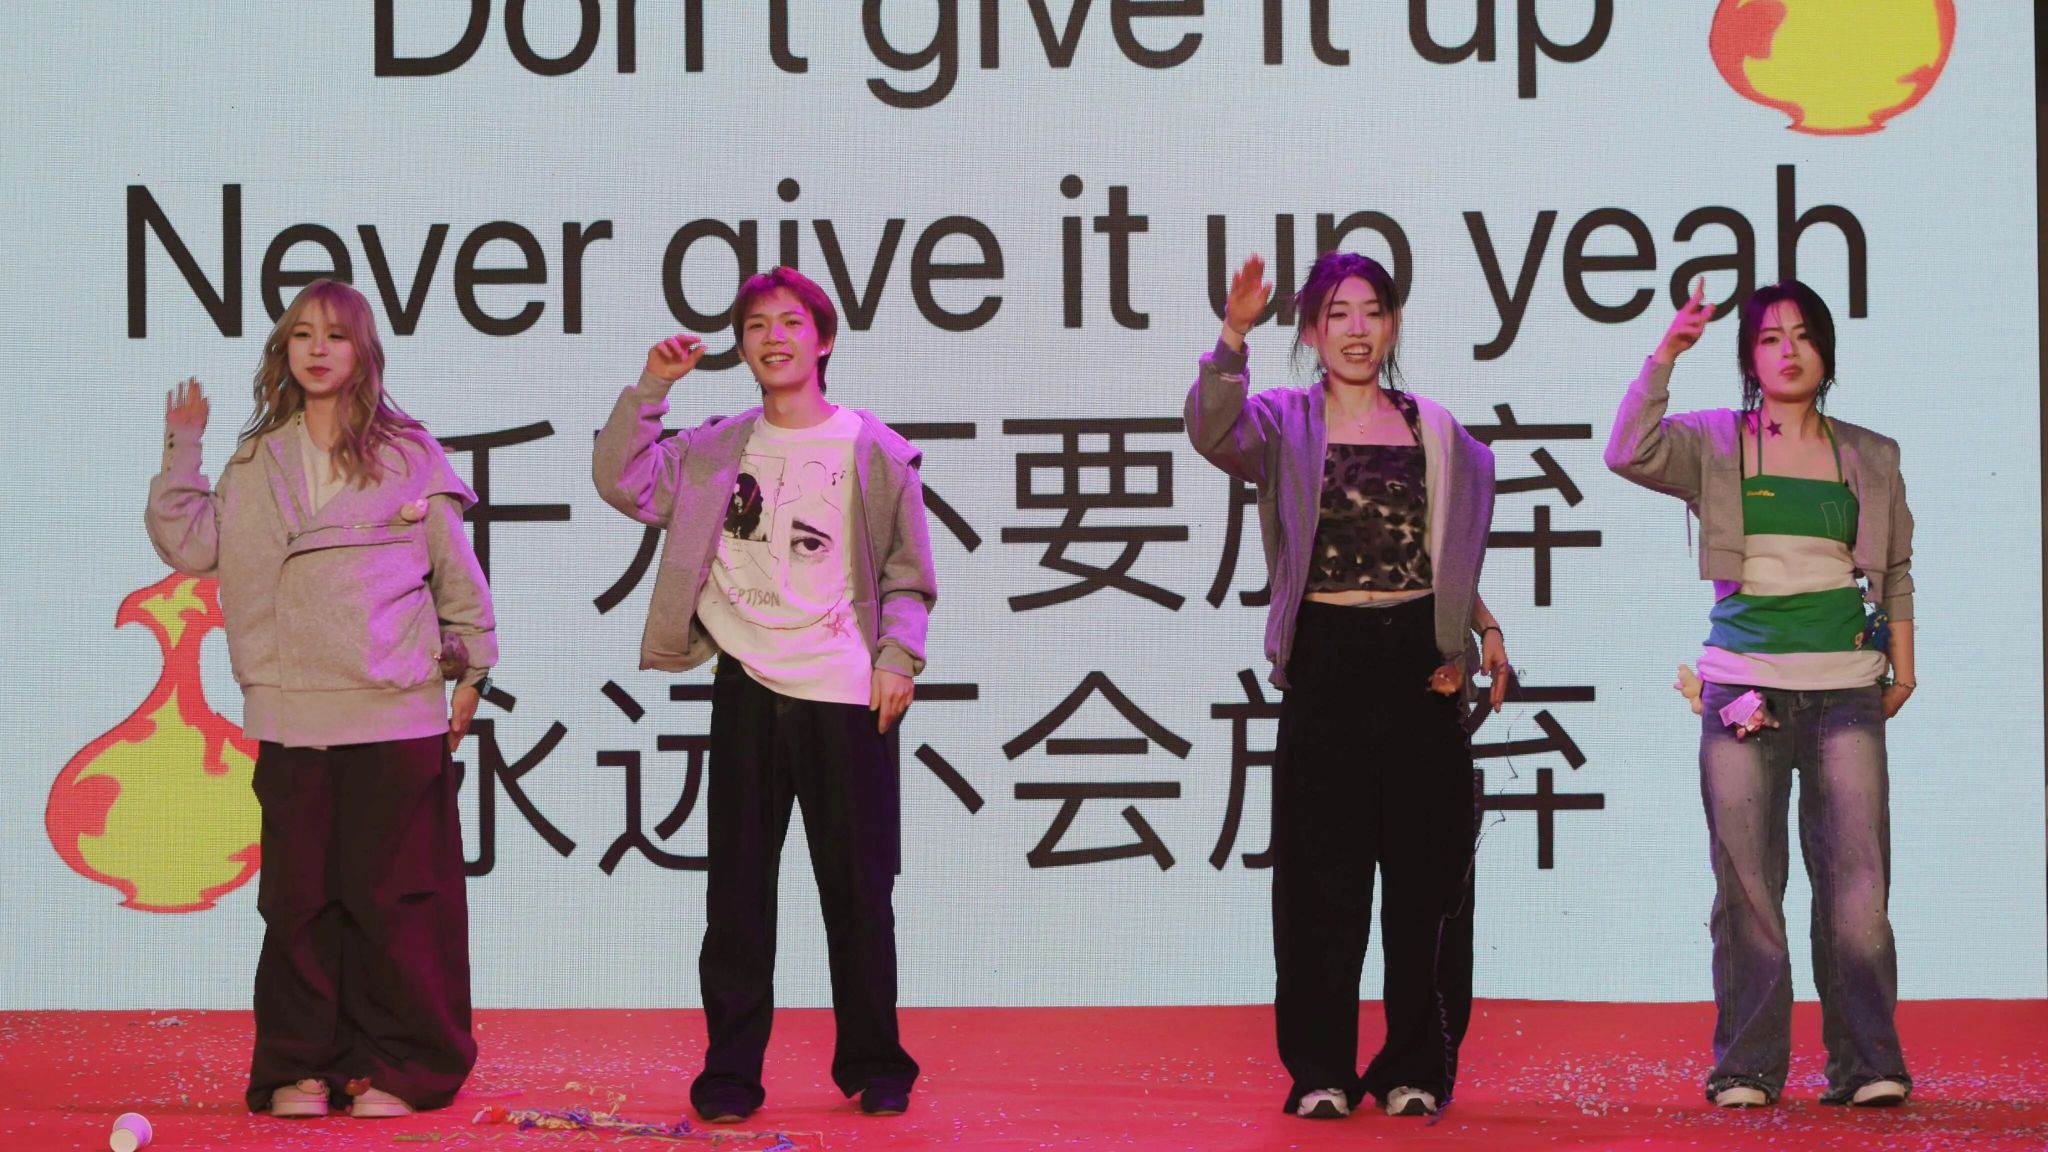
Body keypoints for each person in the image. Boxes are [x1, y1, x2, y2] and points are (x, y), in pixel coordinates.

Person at [145, 279, 495, 1120]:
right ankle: (303, 1063)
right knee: (297, 902)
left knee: (398, 902)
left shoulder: (410, 456)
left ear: (363, 351)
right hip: (291, 710)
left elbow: (456, 572)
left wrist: (474, 669)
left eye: (335, 335)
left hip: (394, 705)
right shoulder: (255, 462)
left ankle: (401, 1065)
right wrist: (183, 446)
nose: (317, 349)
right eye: (301, 334)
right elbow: (190, 544)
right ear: (284, 350)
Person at [593, 266, 936, 1123]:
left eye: (790, 323)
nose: (772, 338)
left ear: (824, 340)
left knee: (858, 892)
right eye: (754, 327)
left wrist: (898, 656)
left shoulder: (874, 450)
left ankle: (874, 1062)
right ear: (741, 349)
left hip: (846, 693)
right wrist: (652, 388)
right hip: (746, 684)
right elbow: (621, 480)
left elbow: (907, 571)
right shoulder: (715, 447)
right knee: (737, 895)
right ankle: (731, 1074)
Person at [1187, 251, 1507, 1120]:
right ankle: (1320, 1068)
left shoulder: (1435, 429)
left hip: (1420, 662)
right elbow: (1211, 430)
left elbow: (1448, 558)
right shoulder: (1283, 422)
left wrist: (1482, 627)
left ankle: (1416, 1065)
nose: (1357, 330)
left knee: (1425, 880)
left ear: (1393, 325)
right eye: (1337, 314)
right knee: (1318, 881)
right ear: (1311, 332)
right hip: (1327, 657)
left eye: (1373, 311)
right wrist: (1232, 335)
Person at [1605, 278, 1914, 1109]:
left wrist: (1904, 667)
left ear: (1827, 353)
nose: (1788, 350)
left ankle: (1866, 1064)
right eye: (1770, 338)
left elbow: (1895, 571)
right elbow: (1627, 450)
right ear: (1748, 358)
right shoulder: (1715, 443)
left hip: (1846, 690)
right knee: (1747, 890)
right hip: (1744, 689)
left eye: (1804, 335)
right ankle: (1746, 1068)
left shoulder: (1871, 454)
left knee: (1858, 892)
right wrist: (1667, 352)